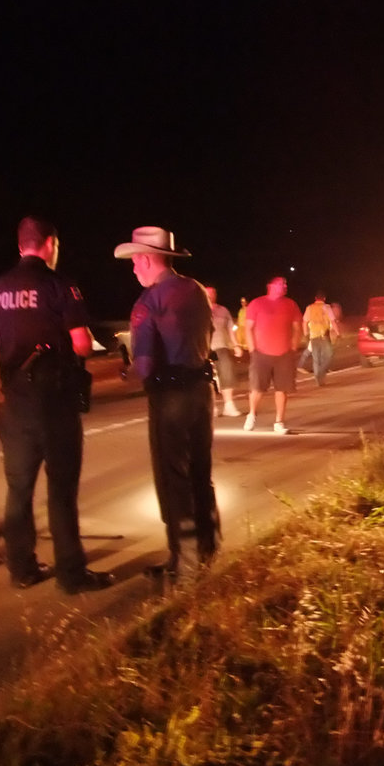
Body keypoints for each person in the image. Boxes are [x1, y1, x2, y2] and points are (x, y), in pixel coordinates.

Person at [0, 216, 114, 593]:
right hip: (54, 402)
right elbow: (82, 344)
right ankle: (71, 574)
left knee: (19, 489)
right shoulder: (60, 285)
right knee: (61, 491)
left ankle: (22, 569)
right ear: (49, 243)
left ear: (21, 244)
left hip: (16, 404)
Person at [114, 226, 219, 581]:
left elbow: (144, 366)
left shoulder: (148, 303)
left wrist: (128, 369)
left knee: (174, 478)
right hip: (202, 391)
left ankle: (184, 562)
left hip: (170, 396)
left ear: (145, 259)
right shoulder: (197, 291)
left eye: (133, 262)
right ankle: (209, 548)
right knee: (201, 472)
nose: (132, 269)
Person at [243, 274, 301, 434]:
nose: (284, 286)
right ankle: (252, 414)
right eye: (281, 284)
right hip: (261, 354)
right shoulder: (257, 303)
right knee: (257, 388)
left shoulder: (291, 304)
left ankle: (279, 422)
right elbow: (248, 328)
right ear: (270, 286)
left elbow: (297, 327)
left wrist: (294, 346)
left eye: (285, 284)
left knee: (282, 389)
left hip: (284, 354)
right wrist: (252, 349)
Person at [205, 285, 244, 417]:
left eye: (212, 293)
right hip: (205, 349)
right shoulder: (197, 310)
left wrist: (236, 345)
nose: (210, 295)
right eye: (207, 293)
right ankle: (212, 407)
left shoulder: (223, 310)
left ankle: (229, 405)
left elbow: (230, 329)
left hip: (222, 346)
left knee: (227, 375)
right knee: (208, 379)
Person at [298, 288, 340, 385]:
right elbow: (333, 322)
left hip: (313, 336)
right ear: (324, 298)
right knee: (329, 354)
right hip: (324, 336)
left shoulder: (309, 308)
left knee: (316, 359)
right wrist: (338, 333)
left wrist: (305, 334)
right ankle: (321, 372)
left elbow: (304, 322)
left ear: (315, 298)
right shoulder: (327, 307)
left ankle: (318, 379)